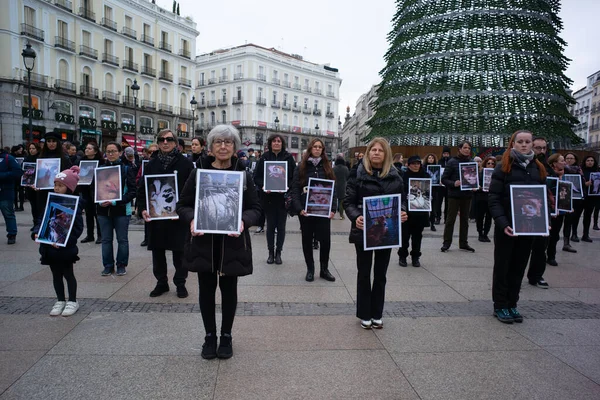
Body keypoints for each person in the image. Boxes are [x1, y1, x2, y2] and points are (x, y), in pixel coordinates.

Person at [177, 124, 262, 360]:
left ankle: (226, 335)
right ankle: (209, 336)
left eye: (228, 142)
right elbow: (182, 205)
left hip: (232, 245)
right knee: (206, 290)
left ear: (235, 148)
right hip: (203, 243)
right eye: (218, 142)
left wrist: (243, 221)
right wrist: (192, 219)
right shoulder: (198, 174)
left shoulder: (244, 176)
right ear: (210, 148)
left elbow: (256, 209)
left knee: (229, 290)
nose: (223, 146)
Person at [344, 137, 408, 329]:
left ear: (386, 154)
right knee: (364, 272)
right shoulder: (357, 174)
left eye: (380, 150)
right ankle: (365, 313)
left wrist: (403, 212)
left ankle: (377, 313)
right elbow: (348, 202)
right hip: (364, 231)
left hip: (386, 233)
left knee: (381, 273)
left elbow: (402, 200)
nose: (377, 153)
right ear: (368, 153)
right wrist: (356, 217)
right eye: (373, 150)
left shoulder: (396, 176)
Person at [488, 130, 547, 324]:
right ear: (512, 144)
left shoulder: (538, 168)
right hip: (507, 226)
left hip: (528, 226)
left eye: (527, 142)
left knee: (519, 265)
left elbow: (542, 198)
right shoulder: (502, 167)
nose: (524, 145)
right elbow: (494, 198)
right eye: (520, 141)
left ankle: (512, 303)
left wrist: (544, 221)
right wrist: (502, 222)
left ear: (532, 145)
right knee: (503, 266)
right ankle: (500, 305)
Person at [138, 129, 194, 298]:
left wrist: (188, 211)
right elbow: (143, 189)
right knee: (158, 252)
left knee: (180, 252)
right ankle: (161, 282)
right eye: (161, 139)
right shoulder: (151, 163)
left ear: (175, 143)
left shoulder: (185, 164)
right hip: (157, 216)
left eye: (169, 139)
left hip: (179, 216)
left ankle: (180, 283)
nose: (165, 142)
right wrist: (142, 208)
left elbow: (192, 190)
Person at [33, 166, 84, 316]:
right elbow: (41, 220)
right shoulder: (50, 201)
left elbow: (77, 228)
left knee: (68, 274)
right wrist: (37, 232)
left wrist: (64, 240)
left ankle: (73, 300)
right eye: (55, 185)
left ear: (69, 188)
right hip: (49, 246)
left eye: (61, 186)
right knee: (55, 274)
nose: (56, 188)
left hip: (65, 247)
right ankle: (60, 300)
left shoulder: (75, 205)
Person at [290, 139, 337, 282]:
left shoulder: (327, 167)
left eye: (320, 147)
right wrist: (299, 209)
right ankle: (310, 269)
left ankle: (324, 269)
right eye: (315, 147)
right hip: (306, 210)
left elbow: (333, 189)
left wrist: (333, 209)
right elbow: (295, 190)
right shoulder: (301, 167)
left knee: (325, 241)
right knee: (307, 240)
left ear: (323, 150)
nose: (317, 149)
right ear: (310, 149)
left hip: (323, 210)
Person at [253, 134, 296, 264]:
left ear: (282, 144)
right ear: (270, 144)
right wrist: (264, 186)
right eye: (274, 141)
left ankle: (279, 253)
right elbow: (257, 177)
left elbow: (294, 177)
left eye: (279, 141)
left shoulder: (288, 158)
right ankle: (270, 253)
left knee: (281, 227)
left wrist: (287, 186)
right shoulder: (265, 158)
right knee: (270, 226)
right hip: (269, 197)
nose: (276, 143)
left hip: (283, 198)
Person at [96, 142, 137, 276]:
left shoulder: (126, 169)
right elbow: (94, 190)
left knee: (122, 239)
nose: (111, 154)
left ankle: (121, 264)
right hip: (103, 211)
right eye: (108, 151)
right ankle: (107, 265)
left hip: (121, 210)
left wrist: (115, 201)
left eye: (113, 151)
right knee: (106, 240)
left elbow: (132, 192)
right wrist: (98, 201)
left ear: (120, 153)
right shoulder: (100, 169)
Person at [526, 137, 552, 288]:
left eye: (544, 148)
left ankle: (536, 275)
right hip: (526, 208)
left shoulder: (548, 167)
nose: (541, 151)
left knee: (541, 246)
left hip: (542, 210)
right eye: (538, 148)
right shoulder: (526, 166)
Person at [440, 141, 475, 252]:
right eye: (465, 147)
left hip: (467, 195)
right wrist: (454, 183)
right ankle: (446, 243)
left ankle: (463, 243)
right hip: (454, 195)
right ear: (459, 149)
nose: (467, 150)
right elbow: (444, 179)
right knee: (450, 220)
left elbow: (474, 179)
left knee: (465, 220)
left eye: (469, 148)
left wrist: (474, 185)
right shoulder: (452, 162)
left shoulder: (471, 162)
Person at [398, 155, 429, 268]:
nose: (416, 165)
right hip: (406, 211)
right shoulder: (403, 177)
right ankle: (402, 256)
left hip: (420, 212)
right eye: (413, 163)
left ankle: (416, 257)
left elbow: (430, 192)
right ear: (408, 165)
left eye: (418, 163)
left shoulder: (425, 176)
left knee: (417, 236)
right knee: (404, 236)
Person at [35, 132, 72, 226]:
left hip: (59, 193)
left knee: (58, 221)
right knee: (44, 219)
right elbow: (38, 175)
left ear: (58, 143)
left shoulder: (65, 158)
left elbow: (69, 176)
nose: (51, 144)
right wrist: (36, 183)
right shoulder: (41, 157)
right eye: (49, 141)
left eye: (54, 141)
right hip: (43, 193)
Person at [79, 142, 104, 244]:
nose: (87, 150)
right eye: (86, 148)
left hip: (96, 190)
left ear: (95, 151)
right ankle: (90, 235)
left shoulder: (101, 162)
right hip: (85, 189)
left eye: (89, 148)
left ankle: (100, 235)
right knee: (88, 214)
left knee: (97, 214)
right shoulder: (82, 161)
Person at [0, 147, 23, 244]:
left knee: (8, 213)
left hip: (5, 191)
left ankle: (12, 234)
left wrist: (2, 175)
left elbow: (18, 172)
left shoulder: (8, 158)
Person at [475, 156, 496, 242]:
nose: (490, 165)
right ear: (485, 164)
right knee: (480, 217)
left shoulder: (497, 174)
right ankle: (480, 233)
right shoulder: (481, 173)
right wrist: (480, 187)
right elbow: (476, 184)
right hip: (481, 198)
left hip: (491, 198)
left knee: (489, 217)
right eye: (489, 163)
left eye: (492, 163)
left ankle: (485, 234)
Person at [580, 155, 598, 243]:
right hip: (581, 197)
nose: (590, 162)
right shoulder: (580, 171)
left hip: (592, 198)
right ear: (585, 161)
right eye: (588, 160)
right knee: (576, 216)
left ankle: (585, 235)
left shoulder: (597, 172)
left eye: (592, 160)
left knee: (587, 217)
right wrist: (585, 184)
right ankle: (574, 234)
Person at [24, 142, 41, 230]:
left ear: (37, 149)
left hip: (38, 186)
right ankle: (35, 223)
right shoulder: (27, 158)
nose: (31, 150)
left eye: (33, 148)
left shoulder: (40, 158)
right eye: (30, 148)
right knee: (33, 206)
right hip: (29, 186)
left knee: (38, 206)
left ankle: (39, 223)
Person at [423, 153, 440, 231]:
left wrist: (439, 181)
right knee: (424, 208)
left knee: (433, 209)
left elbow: (439, 177)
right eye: (429, 158)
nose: (431, 159)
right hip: (425, 190)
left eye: (432, 158)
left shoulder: (437, 168)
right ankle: (424, 223)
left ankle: (432, 224)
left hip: (435, 190)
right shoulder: (423, 168)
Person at [333, 155, 349, 220]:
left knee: (333, 201)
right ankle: (341, 215)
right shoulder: (346, 168)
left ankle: (332, 214)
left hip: (335, 186)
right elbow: (348, 177)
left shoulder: (334, 168)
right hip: (342, 186)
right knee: (341, 202)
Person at [11, 145, 26, 212]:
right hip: (17, 175)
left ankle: (20, 206)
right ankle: (17, 206)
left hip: (18, 176)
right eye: (19, 149)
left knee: (19, 191)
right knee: (17, 191)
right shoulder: (22, 156)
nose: (21, 150)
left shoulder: (11, 157)